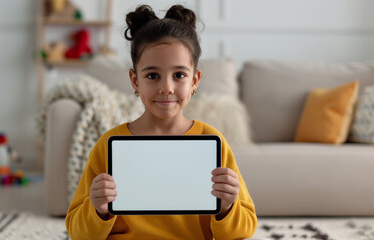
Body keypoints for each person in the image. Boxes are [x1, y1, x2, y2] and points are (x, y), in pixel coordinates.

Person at [65, 4, 257, 240]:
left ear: (195, 80)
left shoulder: (212, 141)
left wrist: (227, 207)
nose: (166, 88)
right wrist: (98, 209)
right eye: (152, 75)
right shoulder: (109, 145)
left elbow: (245, 228)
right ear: (135, 81)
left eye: (179, 75)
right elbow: (77, 232)